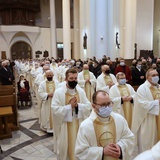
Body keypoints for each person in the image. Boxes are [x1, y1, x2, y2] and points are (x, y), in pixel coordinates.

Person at [75, 90, 135, 160]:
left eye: (109, 103)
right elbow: (80, 153)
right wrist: (102, 152)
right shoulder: (86, 126)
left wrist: (120, 147)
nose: (107, 107)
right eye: (103, 105)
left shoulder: (119, 119)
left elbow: (129, 138)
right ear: (93, 106)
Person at [51, 68, 91, 160]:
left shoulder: (80, 91)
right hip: (65, 126)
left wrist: (78, 106)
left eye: (75, 78)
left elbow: (88, 105)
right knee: (65, 147)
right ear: (66, 79)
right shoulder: (59, 92)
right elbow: (54, 109)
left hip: (79, 123)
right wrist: (69, 107)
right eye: (71, 78)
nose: (74, 80)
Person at [132, 69, 160, 153]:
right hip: (148, 120)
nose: (156, 77)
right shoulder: (142, 88)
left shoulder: (159, 87)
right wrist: (157, 102)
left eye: (157, 75)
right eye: (153, 75)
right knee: (148, 145)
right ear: (147, 77)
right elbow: (142, 105)